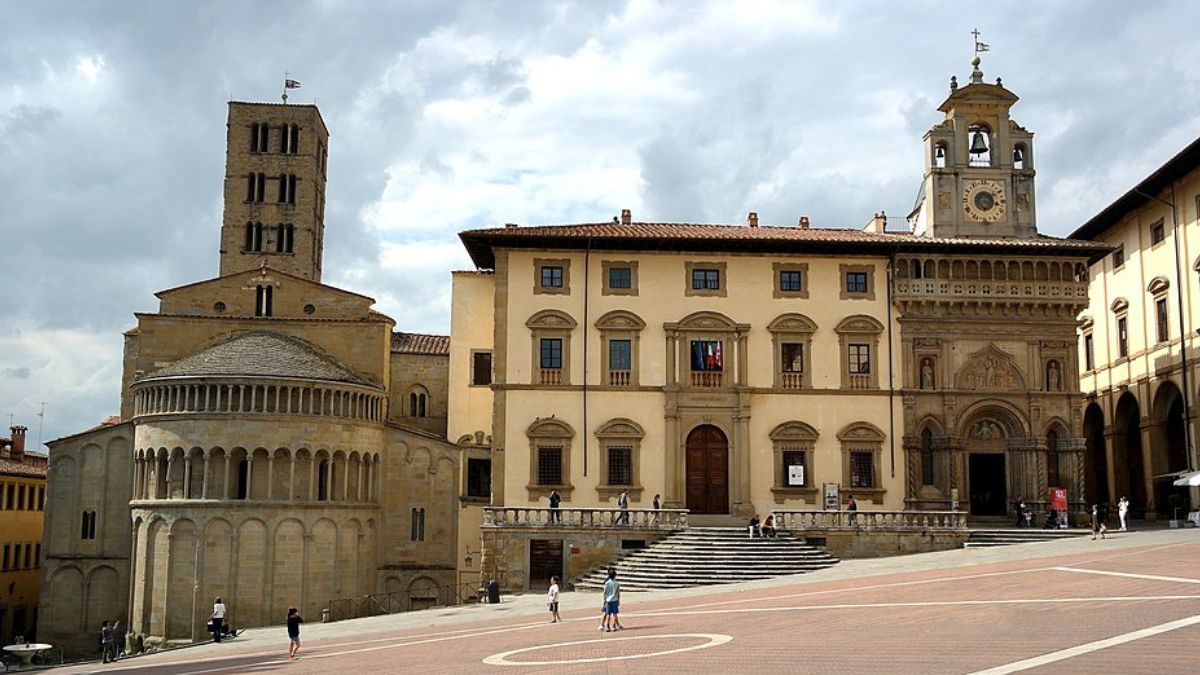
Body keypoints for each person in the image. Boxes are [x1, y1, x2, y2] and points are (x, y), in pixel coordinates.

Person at [597, 567, 622, 632]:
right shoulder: (617, 583)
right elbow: (618, 593)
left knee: (608, 614)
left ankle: (607, 626)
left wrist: (604, 600)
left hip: (608, 600)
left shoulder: (607, 583)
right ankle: (614, 626)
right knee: (615, 614)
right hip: (615, 600)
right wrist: (618, 600)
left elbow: (604, 593)